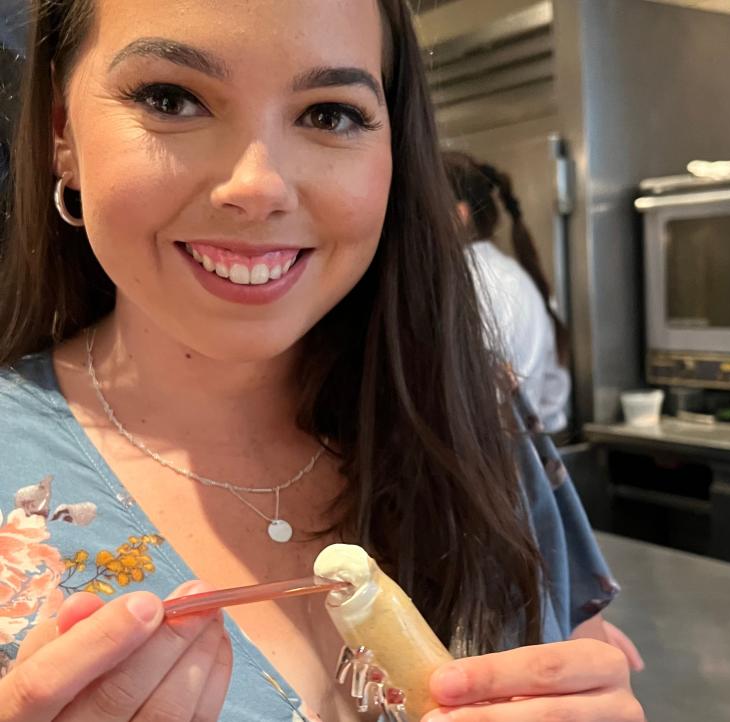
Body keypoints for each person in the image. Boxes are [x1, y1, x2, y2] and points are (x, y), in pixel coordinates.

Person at [0, 1, 646, 721]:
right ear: (63, 133)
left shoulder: (473, 415)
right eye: (171, 98)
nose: (259, 186)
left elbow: (577, 653)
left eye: (331, 114)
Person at [444, 151, 571, 433]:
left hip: (476, 469)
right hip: (517, 465)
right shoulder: (519, 278)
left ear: (458, 215)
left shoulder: (459, 287)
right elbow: (553, 407)